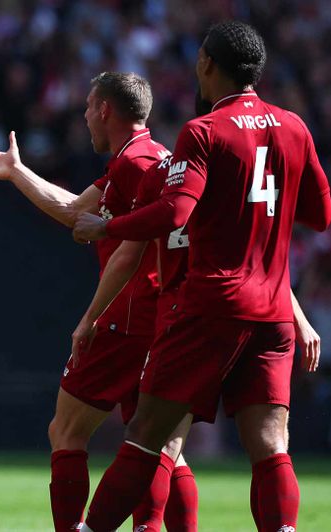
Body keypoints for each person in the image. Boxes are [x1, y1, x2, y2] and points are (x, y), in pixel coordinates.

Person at [72, 21, 331, 531]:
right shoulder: (294, 126)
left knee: (147, 433)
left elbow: (172, 213)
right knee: (270, 444)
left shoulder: (204, 130)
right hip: (274, 312)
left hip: (211, 306)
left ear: (207, 64)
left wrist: (106, 225)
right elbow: (320, 215)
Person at [0, 72, 187, 531]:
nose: (86, 118)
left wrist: (90, 317)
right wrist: (17, 173)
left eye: (89, 108)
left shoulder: (134, 165)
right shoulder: (155, 159)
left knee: (67, 431)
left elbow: (127, 250)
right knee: (158, 442)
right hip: (165, 315)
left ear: (105, 110)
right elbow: (76, 213)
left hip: (127, 314)